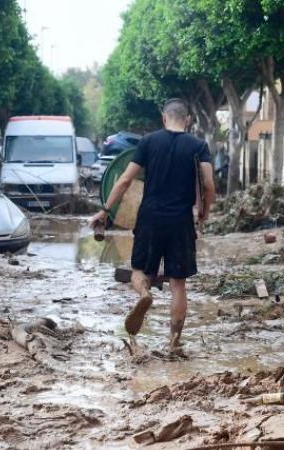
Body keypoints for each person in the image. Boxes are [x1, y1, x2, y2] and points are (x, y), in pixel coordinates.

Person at [89, 98, 216, 353]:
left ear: (163, 118)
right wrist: (204, 213)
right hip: (180, 221)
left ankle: (145, 294)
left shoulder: (148, 142)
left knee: (139, 272)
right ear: (188, 120)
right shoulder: (198, 146)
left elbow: (125, 179)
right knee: (178, 284)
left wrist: (105, 210)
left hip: (149, 218)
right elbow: (208, 184)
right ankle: (173, 343)